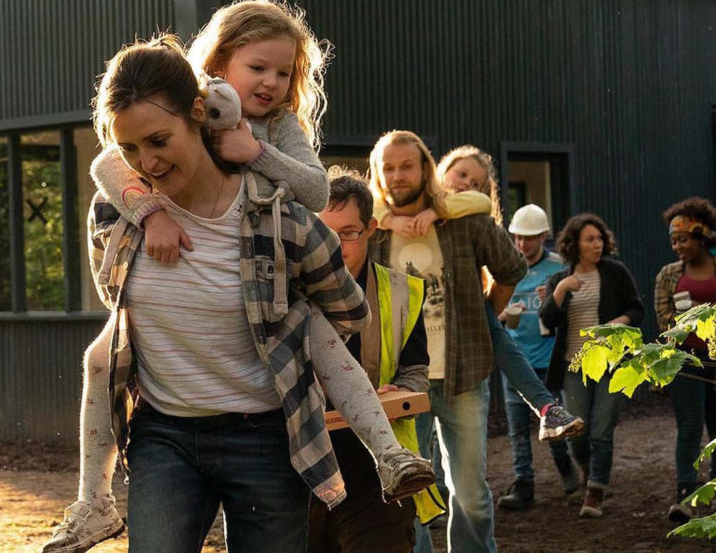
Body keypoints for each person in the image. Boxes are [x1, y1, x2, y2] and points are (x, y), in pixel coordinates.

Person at [43, 35, 431, 553]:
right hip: (165, 437)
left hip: (266, 437)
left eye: (159, 141)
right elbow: (119, 301)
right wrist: (150, 210)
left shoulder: (278, 214)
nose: (147, 163)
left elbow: (345, 305)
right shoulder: (117, 214)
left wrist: (290, 324)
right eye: (131, 148)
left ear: (198, 115)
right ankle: (93, 503)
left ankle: (389, 455)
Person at [367, 130, 528, 553]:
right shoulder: (373, 230)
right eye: (389, 168)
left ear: (425, 167)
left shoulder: (464, 220)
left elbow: (512, 268)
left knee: (471, 493)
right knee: (409, 493)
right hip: (400, 382)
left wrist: (485, 317)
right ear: (378, 174)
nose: (398, 175)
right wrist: (384, 218)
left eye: (406, 166)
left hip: (463, 374)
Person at [308, 168, 446, 553]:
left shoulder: (402, 291)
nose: (336, 245)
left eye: (348, 233)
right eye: (323, 232)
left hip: (376, 476)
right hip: (302, 472)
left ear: (370, 229)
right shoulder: (286, 294)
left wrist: (404, 390)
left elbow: (416, 371)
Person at [539, 213, 644, 518]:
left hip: (611, 363)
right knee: (578, 431)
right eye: (589, 239)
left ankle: (596, 491)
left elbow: (636, 309)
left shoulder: (615, 272)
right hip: (574, 367)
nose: (596, 244)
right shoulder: (561, 279)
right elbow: (546, 320)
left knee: (601, 430)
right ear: (574, 244)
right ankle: (587, 470)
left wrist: (615, 323)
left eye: (599, 238)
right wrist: (560, 291)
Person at [654, 197, 716, 522]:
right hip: (685, 360)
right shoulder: (668, 276)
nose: (676, 246)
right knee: (690, 425)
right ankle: (686, 494)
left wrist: (704, 315)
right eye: (673, 241)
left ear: (702, 236)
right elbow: (664, 317)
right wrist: (691, 320)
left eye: (682, 239)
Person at [495, 204, 579, 510]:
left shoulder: (558, 268)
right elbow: (492, 309)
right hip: (516, 362)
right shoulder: (504, 267)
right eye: (517, 237)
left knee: (554, 424)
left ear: (544, 236)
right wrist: (502, 315)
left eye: (529, 238)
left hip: (549, 362)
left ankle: (565, 466)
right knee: (517, 429)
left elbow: (576, 309)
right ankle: (524, 483)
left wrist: (556, 299)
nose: (522, 244)